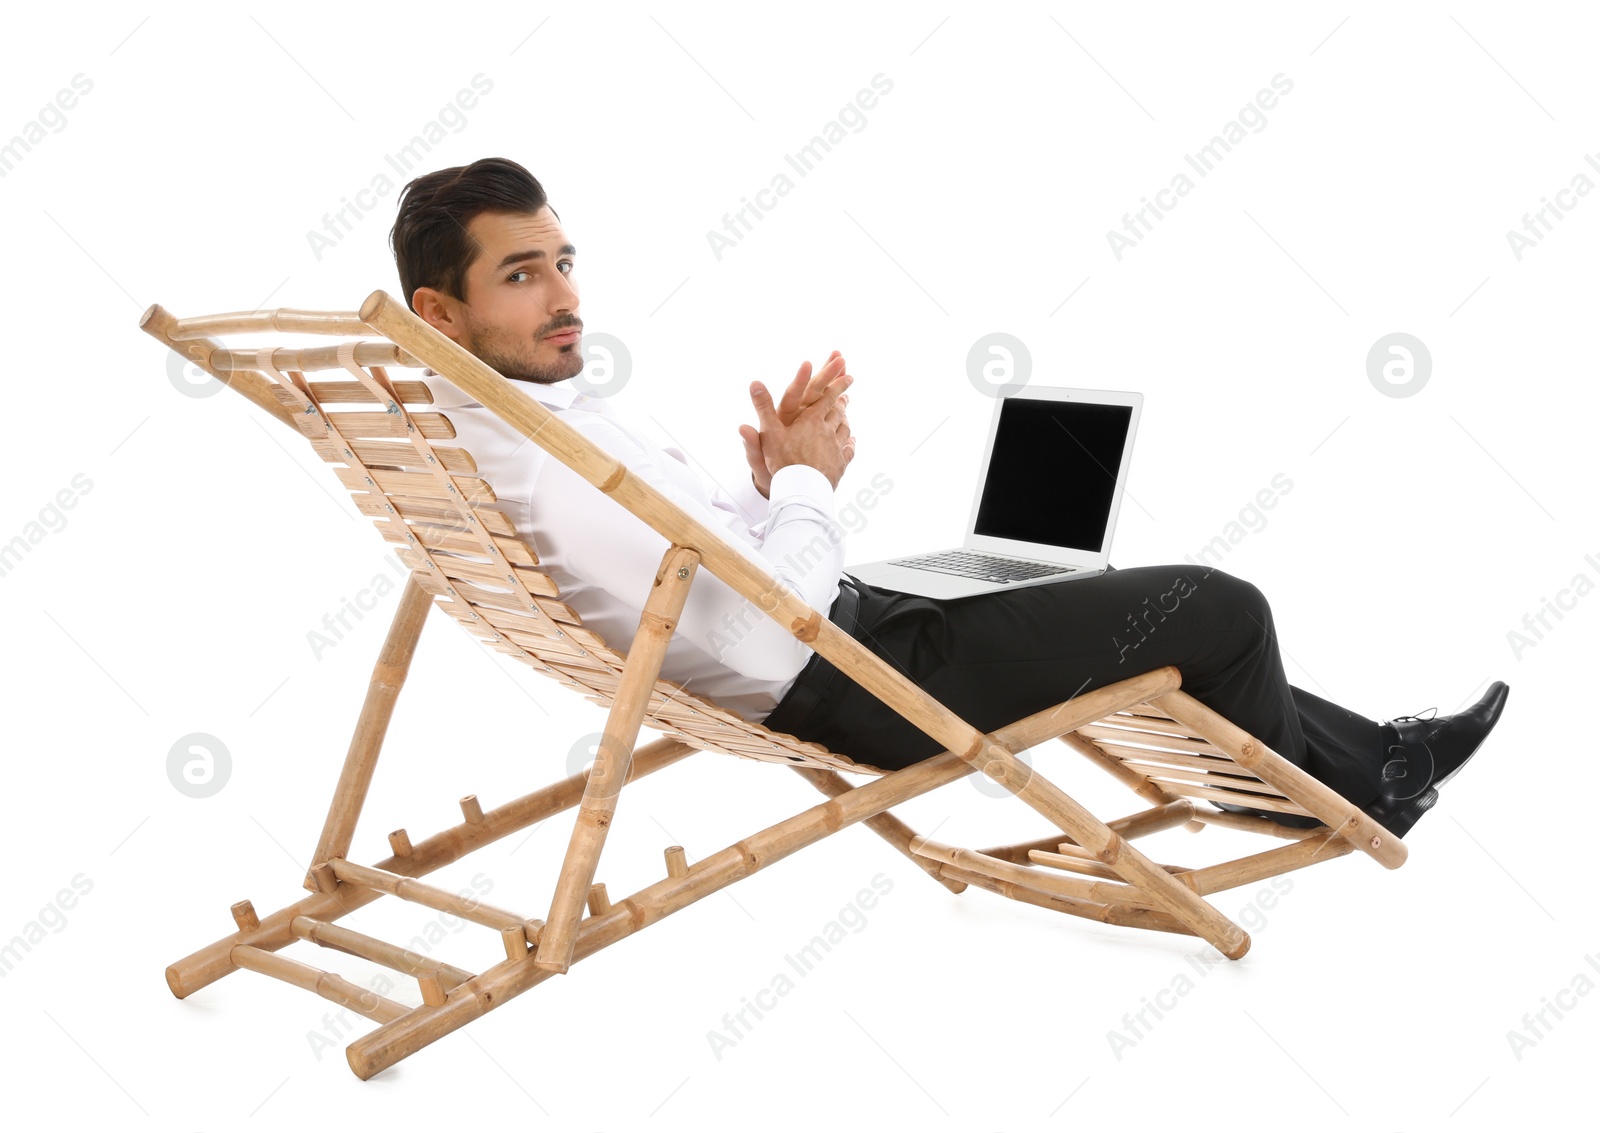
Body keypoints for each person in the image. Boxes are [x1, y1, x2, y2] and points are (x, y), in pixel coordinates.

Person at [387, 156, 1509, 838]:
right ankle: (1333, 791)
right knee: (1218, 605)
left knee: (1090, 579)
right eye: (522, 275)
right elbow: (769, 612)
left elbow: (683, 561)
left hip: (850, 635)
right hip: (858, 681)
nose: (566, 296)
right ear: (441, 314)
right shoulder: (548, 463)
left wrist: (768, 478)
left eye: (565, 259)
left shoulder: (530, 423)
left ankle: (1370, 757)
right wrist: (808, 485)